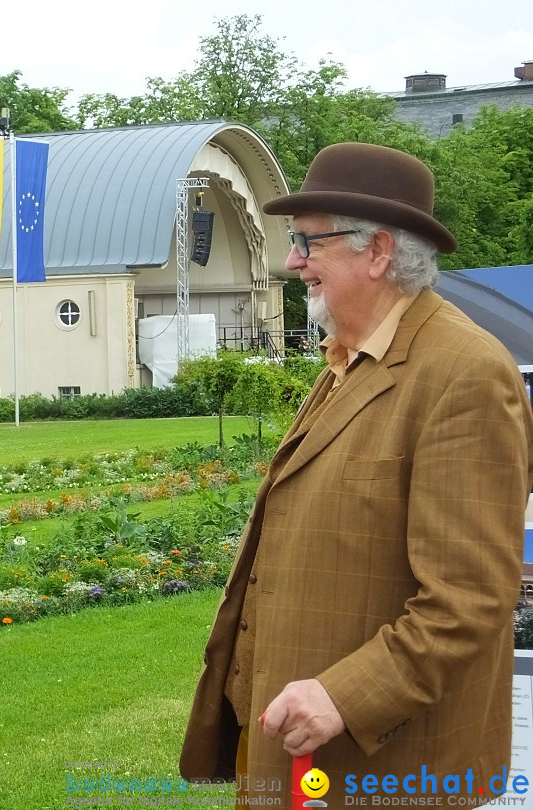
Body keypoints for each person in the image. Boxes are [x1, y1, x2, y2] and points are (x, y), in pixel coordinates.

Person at [180, 143, 533, 799]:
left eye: (310, 243)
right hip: (307, 760)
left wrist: (343, 695)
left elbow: (470, 597)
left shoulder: (465, 374)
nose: (292, 261)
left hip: (388, 772)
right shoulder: (353, 357)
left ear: (377, 252)